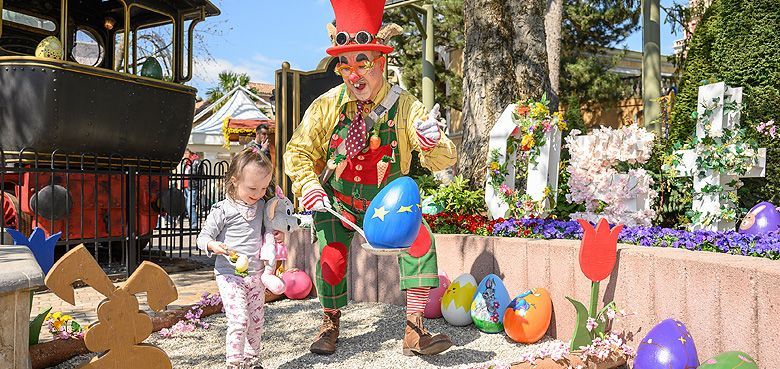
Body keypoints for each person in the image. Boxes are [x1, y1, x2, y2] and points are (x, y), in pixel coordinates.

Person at [283, 0, 457, 357]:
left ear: (382, 62)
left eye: (362, 63)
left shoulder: (406, 106)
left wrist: (433, 141)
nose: (353, 74)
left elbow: (441, 157)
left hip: (387, 204)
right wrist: (309, 185)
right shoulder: (327, 105)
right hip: (338, 202)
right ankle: (330, 321)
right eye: (345, 65)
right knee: (331, 258)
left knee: (421, 243)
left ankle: (414, 329)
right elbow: (297, 152)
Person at [196, 148, 274, 369]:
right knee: (239, 319)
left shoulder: (261, 206)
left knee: (257, 321)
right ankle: (233, 363)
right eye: (252, 188)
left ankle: (252, 360)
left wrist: (275, 233)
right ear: (234, 180)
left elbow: (267, 230)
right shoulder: (222, 209)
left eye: (263, 188)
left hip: (255, 274)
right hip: (229, 275)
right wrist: (213, 245)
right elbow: (202, 238)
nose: (258, 193)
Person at [183, 148, 202, 228]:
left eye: (184, 154)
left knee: (190, 205)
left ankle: (194, 225)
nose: (183, 156)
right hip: (186, 187)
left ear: (188, 153)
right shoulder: (186, 162)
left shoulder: (195, 161)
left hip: (192, 186)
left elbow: (196, 174)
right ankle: (192, 223)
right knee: (186, 206)